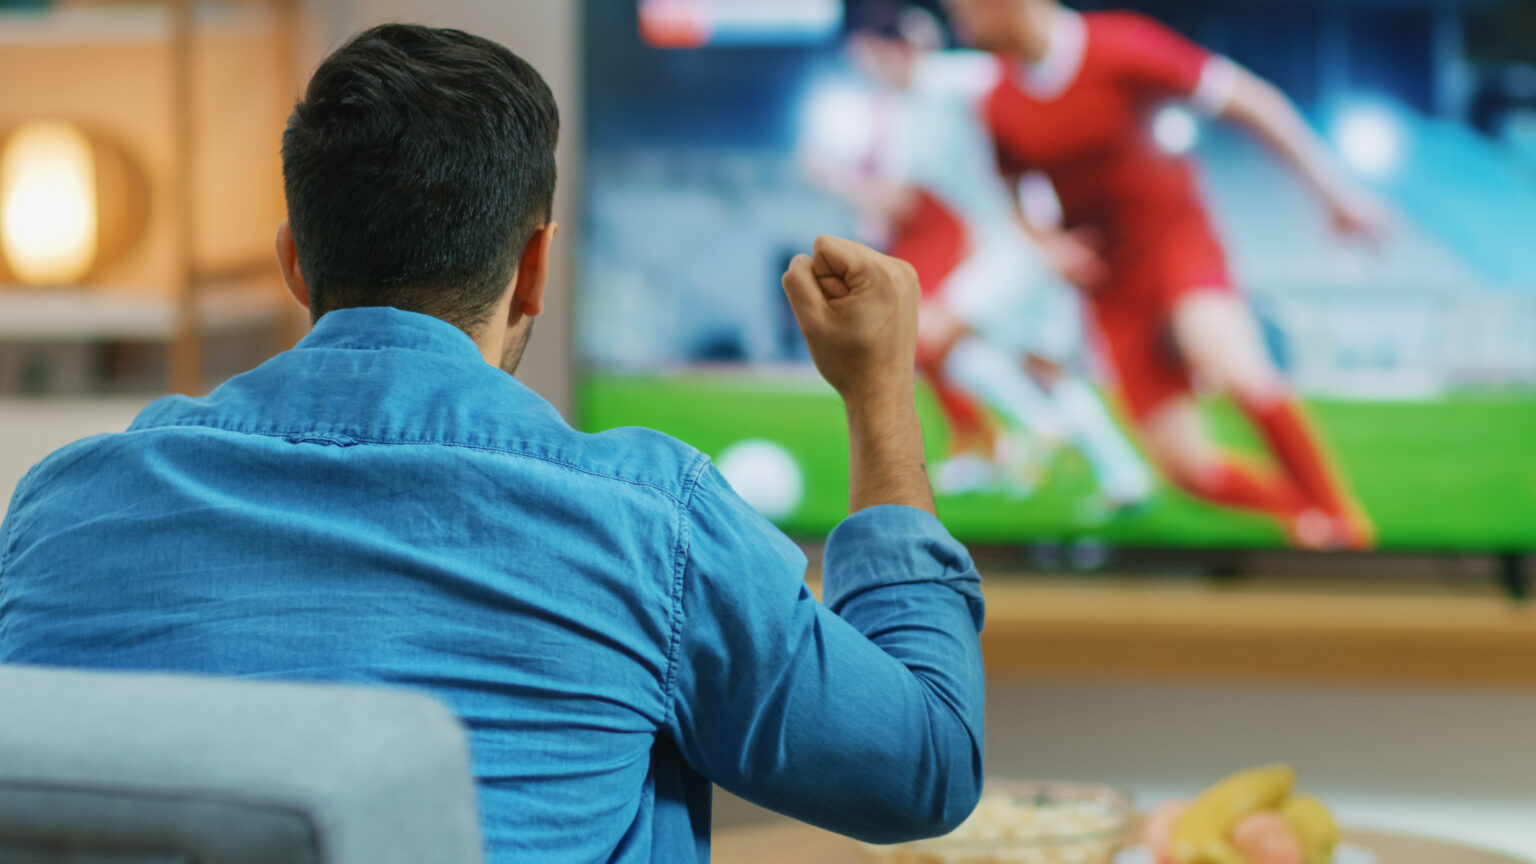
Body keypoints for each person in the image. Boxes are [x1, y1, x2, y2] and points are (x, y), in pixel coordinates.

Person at [0, 25, 985, 863]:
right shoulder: (649, 524)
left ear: (297, 263)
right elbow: (926, 767)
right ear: (536, 267)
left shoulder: (58, 510)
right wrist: (880, 395)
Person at [942, 0, 1388, 548]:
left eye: (960, 6)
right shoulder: (998, 102)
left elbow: (1251, 100)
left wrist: (1334, 195)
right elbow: (1009, 193)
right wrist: (1049, 245)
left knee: (1223, 353)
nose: (954, 18)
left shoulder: (1119, 46)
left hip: (1173, 240)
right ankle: (1309, 519)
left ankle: (1346, 527)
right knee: (1186, 470)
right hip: (1111, 282)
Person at [802, 2, 1153, 509]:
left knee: (937, 336)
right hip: (1001, 245)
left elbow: (1029, 89)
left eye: (871, 59)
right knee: (1035, 364)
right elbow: (900, 199)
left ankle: (1038, 431)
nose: (868, 72)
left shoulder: (957, 78)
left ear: (894, 49)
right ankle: (1124, 476)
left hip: (1027, 240)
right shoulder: (904, 119)